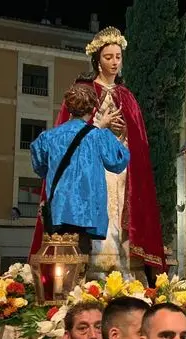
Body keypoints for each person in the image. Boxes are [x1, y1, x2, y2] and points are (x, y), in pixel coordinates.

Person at [29, 26, 165, 276]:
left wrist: (123, 136)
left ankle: (121, 265)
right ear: (97, 60)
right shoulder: (84, 91)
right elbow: (70, 132)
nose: (114, 63)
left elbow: (137, 141)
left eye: (118, 57)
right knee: (95, 211)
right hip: (90, 169)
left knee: (118, 213)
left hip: (121, 171)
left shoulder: (127, 96)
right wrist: (100, 128)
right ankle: (91, 266)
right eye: (108, 57)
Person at [30, 83, 129, 252]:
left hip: (57, 211)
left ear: (68, 108)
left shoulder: (48, 137)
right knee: (81, 262)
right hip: (87, 214)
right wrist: (114, 132)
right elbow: (118, 161)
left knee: (57, 261)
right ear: (92, 111)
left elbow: (39, 166)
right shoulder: (98, 136)